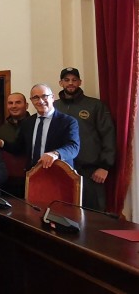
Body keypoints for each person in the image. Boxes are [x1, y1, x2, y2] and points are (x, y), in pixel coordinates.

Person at [54, 67, 115, 211]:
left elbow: (108, 135)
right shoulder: (54, 106)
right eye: (67, 80)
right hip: (62, 170)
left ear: (80, 82)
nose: (71, 83)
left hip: (91, 172)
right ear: (60, 83)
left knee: (95, 215)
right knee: (65, 212)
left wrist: (105, 166)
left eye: (74, 80)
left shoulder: (95, 105)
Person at [0, 84, 80, 170]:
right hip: (33, 175)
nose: (40, 101)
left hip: (59, 174)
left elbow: (73, 147)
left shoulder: (68, 121)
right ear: (31, 100)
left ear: (52, 97)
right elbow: (19, 148)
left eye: (44, 96)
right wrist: (1, 143)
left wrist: (55, 154)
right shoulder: (27, 122)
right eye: (36, 98)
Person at [0, 92, 30, 197]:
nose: (14, 106)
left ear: (26, 105)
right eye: (10, 103)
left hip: (29, 180)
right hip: (6, 181)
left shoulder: (34, 125)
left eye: (18, 102)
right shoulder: (2, 129)